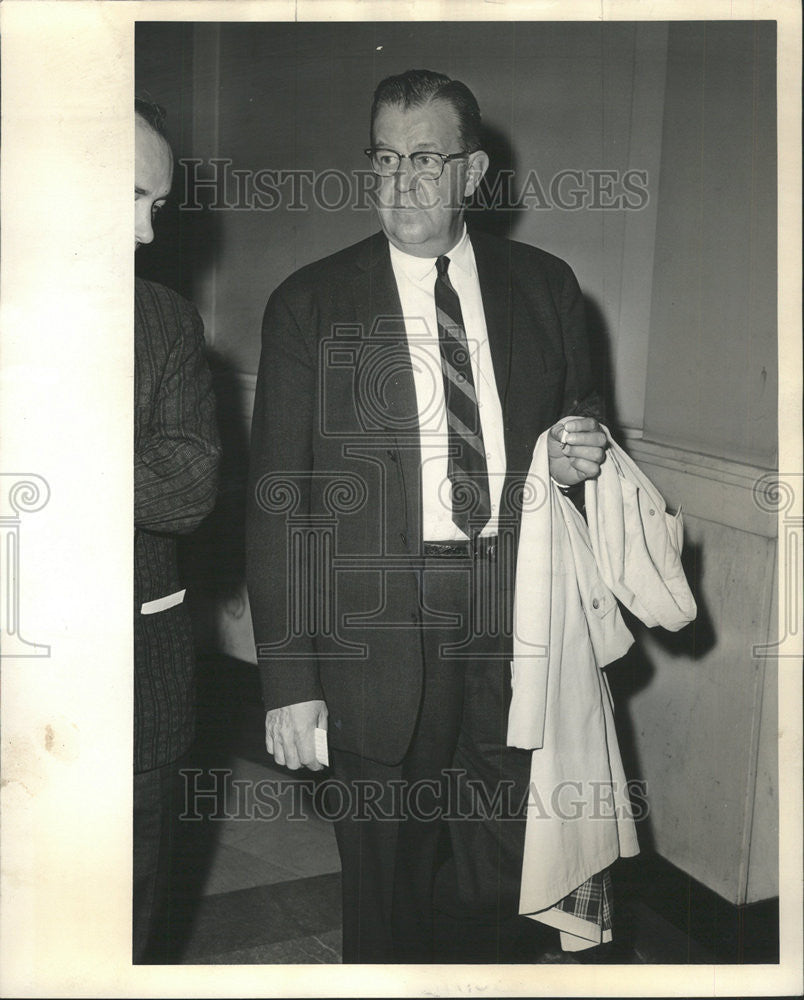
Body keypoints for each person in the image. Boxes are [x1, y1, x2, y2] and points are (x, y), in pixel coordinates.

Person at [246, 69, 606, 963]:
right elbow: (278, 504)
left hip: (512, 616)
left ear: (473, 172)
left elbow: (584, 443)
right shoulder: (309, 304)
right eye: (383, 158)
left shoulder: (547, 288)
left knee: (507, 862)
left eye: (426, 159)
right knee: (387, 879)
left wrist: (572, 462)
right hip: (374, 633)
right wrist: (290, 681)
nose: (400, 183)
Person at [133, 98, 221, 962]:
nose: (148, 234)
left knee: (122, 924)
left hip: (135, 686)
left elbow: (186, 487)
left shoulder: (163, 321)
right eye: (127, 198)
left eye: (155, 205)